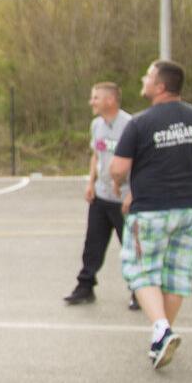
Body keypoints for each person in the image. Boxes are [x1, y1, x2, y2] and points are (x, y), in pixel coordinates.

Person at [111, 60, 192, 370]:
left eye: (148, 76)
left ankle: (161, 329)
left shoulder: (140, 123)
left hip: (151, 209)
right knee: (177, 275)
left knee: (141, 271)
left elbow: (118, 168)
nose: (143, 79)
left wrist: (119, 183)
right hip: (190, 208)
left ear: (161, 86)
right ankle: (161, 339)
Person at [64, 82, 137, 309]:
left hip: (124, 199)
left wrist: (133, 193)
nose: (91, 102)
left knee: (131, 247)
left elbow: (140, 163)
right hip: (101, 196)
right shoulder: (96, 125)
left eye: (95, 98)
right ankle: (85, 286)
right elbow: (96, 155)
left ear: (110, 100)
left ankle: (138, 289)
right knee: (93, 244)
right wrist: (91, 183)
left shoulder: (130, 126)